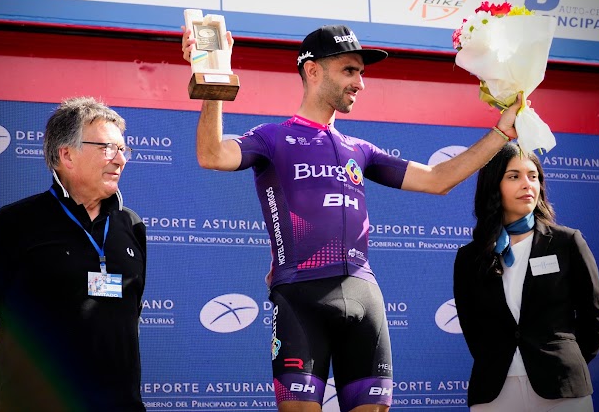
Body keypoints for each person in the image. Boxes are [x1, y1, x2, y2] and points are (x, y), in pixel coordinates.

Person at [182, 23, 522, 412]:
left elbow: (438, 179)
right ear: (313, 70)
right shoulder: (272, 138)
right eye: (349, 70)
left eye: (361, 72)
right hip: (300, 298)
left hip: (365, 297)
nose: (360, 83)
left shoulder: (359, 149)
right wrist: (213, 84)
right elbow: (211, 155)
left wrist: (500, 132)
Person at [0, 97, 147, 412]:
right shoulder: (14, 223)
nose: (120, 159)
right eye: (106, 148)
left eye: (123, 149)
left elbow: (129, 320)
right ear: (67, 155)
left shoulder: (132, 225)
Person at [453, 142, 599, 412]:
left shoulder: (567, 242)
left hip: (562, 388)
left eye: (533, 176)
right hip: (494, 390)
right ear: (493, 185)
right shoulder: (469, 257)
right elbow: (472, 330)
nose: (527, 184)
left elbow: (593, 319)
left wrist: (562, 362)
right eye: (514, 176)